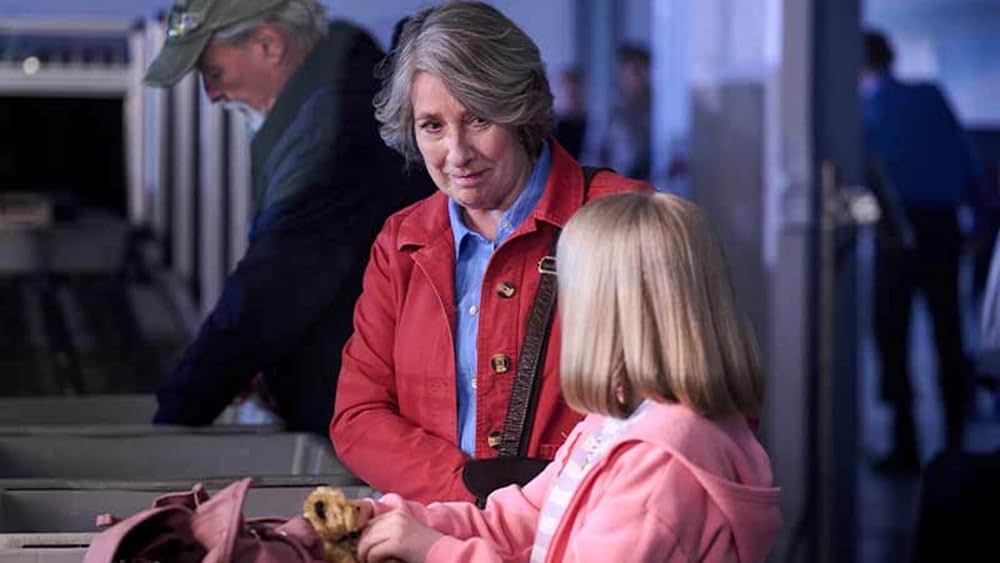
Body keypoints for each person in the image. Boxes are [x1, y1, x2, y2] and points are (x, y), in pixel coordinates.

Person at [330, 1, 651, 504]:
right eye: (432, 126)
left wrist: (545, 503)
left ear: (521, 109)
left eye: (478, 118)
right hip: (437, 533)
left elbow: (703, 415)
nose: (457, 154)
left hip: (588, 530)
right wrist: (469, 491)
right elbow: (358, 417)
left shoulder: (630, 220)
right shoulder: (401, 241)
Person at [350, 192, 782, 563]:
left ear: (603, 310)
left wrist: (435, 551)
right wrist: (395, 520)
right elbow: (516, 522)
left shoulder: (662, 465)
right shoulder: (613, 425)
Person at [143, 0, 430, 435]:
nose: (212, 94)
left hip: (370, 427)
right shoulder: (332, 96)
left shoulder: (332, 128)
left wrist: (170, 426)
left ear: (268, 45)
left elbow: (268, 290)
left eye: (213, 72)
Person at [862, 29, 981, 471]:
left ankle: (906, 442)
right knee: (947, 328)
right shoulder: (929, 95)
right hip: (943, 225)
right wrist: (979, 218)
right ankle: (956, 442)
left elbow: (869, 173)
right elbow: (967, 159)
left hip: (898, 227)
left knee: (892, 334)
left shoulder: (867, 106)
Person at [585, 43, 652, 180]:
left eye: (643, 69)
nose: (639, 77)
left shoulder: (657, 107)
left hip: (653, 183)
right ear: (622, 72)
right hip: (620, 183)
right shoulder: (608, 108)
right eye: (634, 70)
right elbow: (594, 153)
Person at [552, 67, 587, 160]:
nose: (570, 99)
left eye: (574, 94)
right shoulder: (549, 130)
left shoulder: (592, 127)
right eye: (566, 93)